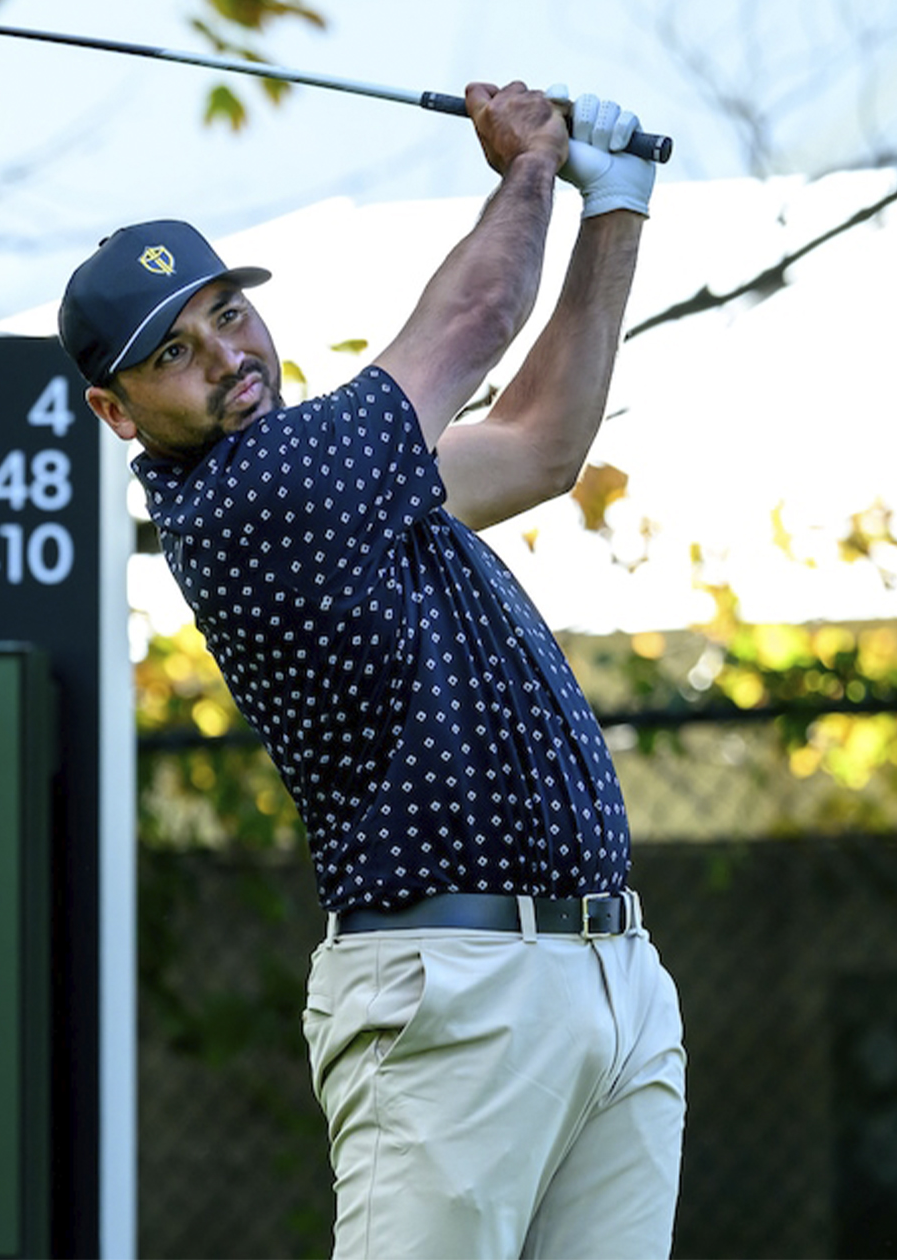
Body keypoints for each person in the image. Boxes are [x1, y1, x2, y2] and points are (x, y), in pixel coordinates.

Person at [58, 82, 687, 1258]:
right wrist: (529, 166)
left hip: (607, 976)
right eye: (174, 353)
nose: (227, 357)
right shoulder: (259, 493)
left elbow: (543, 443)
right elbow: (475, 317)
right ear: (117, 409)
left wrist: (617, 205)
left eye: (225, 315)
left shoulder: (355, 480)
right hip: (451, 995)